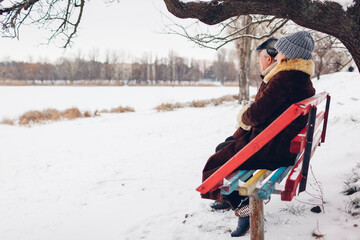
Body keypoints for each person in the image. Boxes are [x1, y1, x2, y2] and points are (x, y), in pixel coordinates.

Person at [202, 31, 316, 237]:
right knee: (227, 145)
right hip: (283, 142)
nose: (278, 52)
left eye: (281, 49)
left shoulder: (285, 78)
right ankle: (230, 199)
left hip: (274, 148)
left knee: (220, 155)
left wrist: (244, 117)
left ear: (288, 54)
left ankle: (240, 204)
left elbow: (256, 114)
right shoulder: (301, 78)